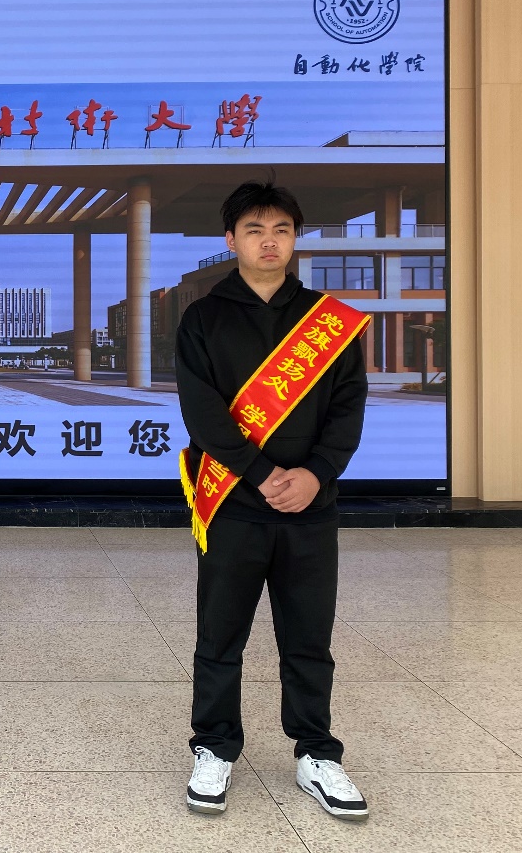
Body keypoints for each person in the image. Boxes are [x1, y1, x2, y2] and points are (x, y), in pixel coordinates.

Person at [175, 181, 370, 821]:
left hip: (311, 505)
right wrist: (261, 474)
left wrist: (315, 473)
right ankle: (214, 747)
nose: (269, 241)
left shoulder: (327, 323)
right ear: (230, 240)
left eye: (281, 229)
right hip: (233, 501)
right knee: (220, 633)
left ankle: (317, 753)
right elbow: (203, 414)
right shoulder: (203, 318)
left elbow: (348, 410)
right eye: (255, 230)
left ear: (294, 239)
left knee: (309, 636)